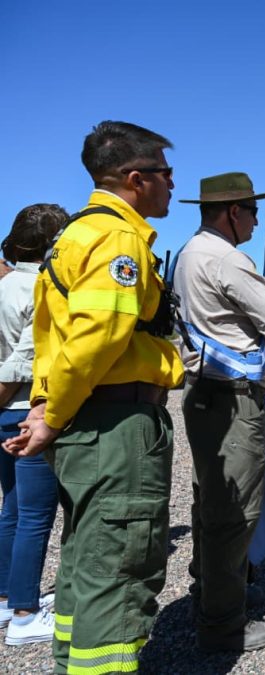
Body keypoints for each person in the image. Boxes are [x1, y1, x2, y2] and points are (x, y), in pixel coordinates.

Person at [1, 121, 184, 674]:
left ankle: (71, 663)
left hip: (88, 417)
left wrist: (43, 407)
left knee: (87, 558)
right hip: (114, 422)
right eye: (164, 174)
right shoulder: (117, 238)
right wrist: (51, 413)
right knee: (121, 568)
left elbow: (52, 340)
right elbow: (97, 335)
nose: (172, 185)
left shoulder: (75, 235)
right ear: (135, 179)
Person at [173, 172, 265, 651]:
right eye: (252, 210)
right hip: (233, 393)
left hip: (205, 391)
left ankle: (213, 591)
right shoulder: (226, 258)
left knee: (211, 500)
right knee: (235, 511)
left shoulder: (188, 253)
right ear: (232, 212)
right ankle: (224, 622)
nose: (257, 219)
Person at [0, 204, 65, 646]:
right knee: (35, 517)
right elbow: (23, 363)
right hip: (26, 410)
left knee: (11, 510)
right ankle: (24, 613)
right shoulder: (41, 287)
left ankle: (7, 596)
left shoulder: (5, 286)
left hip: (7, 413)